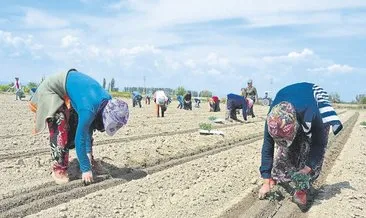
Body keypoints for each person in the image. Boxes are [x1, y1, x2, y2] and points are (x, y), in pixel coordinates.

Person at [29, 69, 129, 185]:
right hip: (51, 90)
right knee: (60, 124)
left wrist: (87, 153)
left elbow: (89, 127)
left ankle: (86, 159)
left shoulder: (106, 101)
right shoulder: (89, 109)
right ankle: (59, 167)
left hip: (70, 90)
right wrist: (86, 169)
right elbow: (80, 137)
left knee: (78, 122)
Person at [258, 83, 343, 206]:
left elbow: (319, 145)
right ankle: (282, 176)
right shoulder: (273, 119)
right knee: (287, 152)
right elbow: (267, 145)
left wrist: (307, 169)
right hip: (292, 102)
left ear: (296, 125)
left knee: (307, 150)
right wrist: (266, 180)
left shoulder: (315, 114)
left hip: (313, 102)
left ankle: (303, 187)